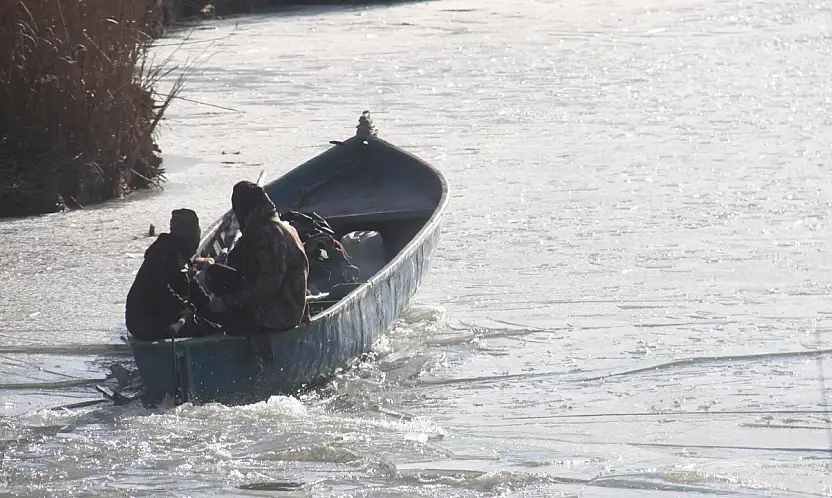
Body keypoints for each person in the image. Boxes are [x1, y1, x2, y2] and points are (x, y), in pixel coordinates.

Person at [205, 181, 310, 334]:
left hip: (277, 316)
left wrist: (227, 302)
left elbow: (270, 282)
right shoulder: (284, 226)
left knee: (215, 277)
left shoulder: (267, 234)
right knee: (219, 272)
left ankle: (239, 335)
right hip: (292, 308)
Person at [125, 209, 219, 341]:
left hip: (159, 315)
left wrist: (209, 304)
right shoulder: (163, 255)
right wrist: (182, 307)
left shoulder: (179, 255)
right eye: (196, 232)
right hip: (145, 322)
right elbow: (157, 289)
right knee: (210, 330)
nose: (197, 237)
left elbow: (192, 285)